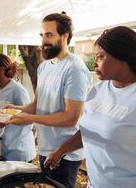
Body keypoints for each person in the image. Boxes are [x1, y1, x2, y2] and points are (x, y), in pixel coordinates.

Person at [44, 26, 136, 188]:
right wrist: (61, 150)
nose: (95, 63)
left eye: (100, 57)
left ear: (122, 56)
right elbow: (90, 130)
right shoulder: (96, 91)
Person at [7, 12, 90, 188]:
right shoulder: (44, 67)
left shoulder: (75, 68)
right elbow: (36, 105)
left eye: (49, 35)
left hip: (64, 154)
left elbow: (71, 118)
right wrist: (13, 111)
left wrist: (29, 118)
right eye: (42, 35)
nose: (43, 41)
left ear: (65, 36)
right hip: (45, 148)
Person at [0, 54, 36, 161]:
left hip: (19, 151)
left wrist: (7, 120)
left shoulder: (17, 90)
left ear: (1, 69)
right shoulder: (0, 89)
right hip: (7, 149)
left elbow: (29, 118)